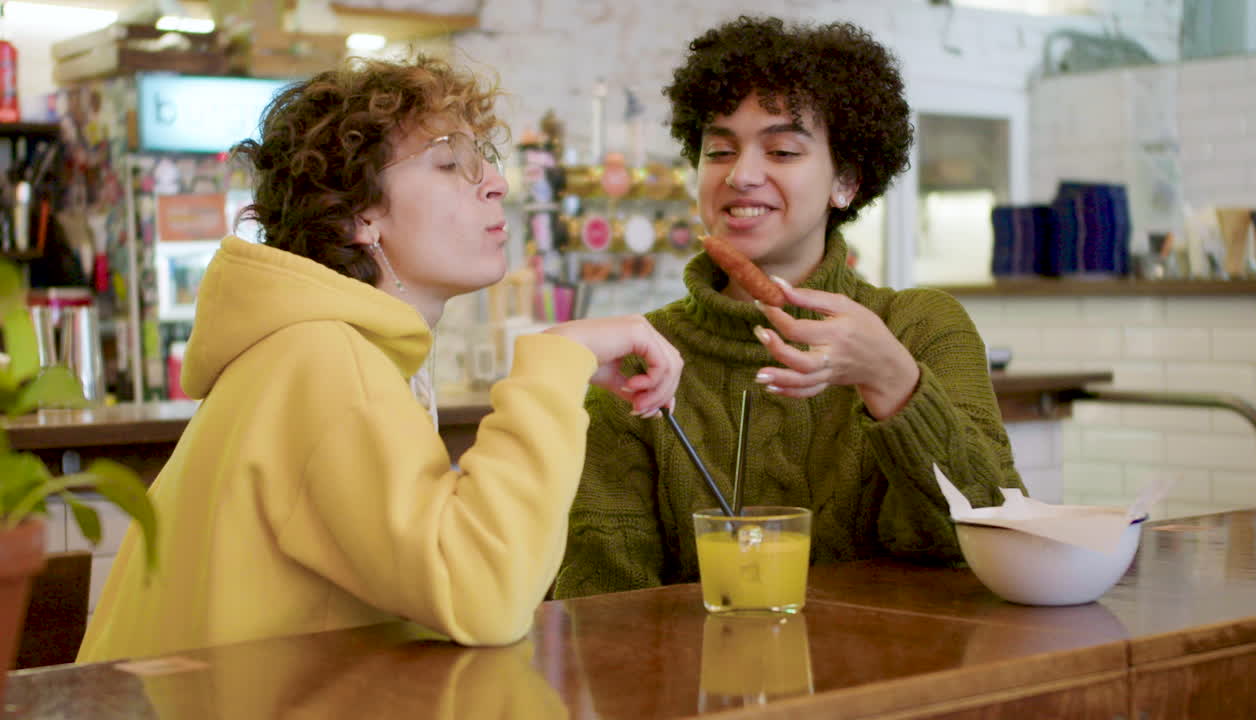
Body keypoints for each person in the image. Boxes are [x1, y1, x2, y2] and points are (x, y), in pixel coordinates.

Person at [78, 54, 682, 662]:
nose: (496, 183)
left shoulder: (318, 348)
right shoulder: (323, 359)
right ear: (360, 214)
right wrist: (557, 361)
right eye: (450, 163)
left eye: (484, 160)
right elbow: (482, 593)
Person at [554, 16, 1023, 598]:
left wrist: (891, 380)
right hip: (702, 680)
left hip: (902, 676)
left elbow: (1000, 540)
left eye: (781, 150)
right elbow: (601, 602)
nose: (742, 175)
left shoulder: (922, 328)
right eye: (719, 150)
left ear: (846, 182)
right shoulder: (637, 359)